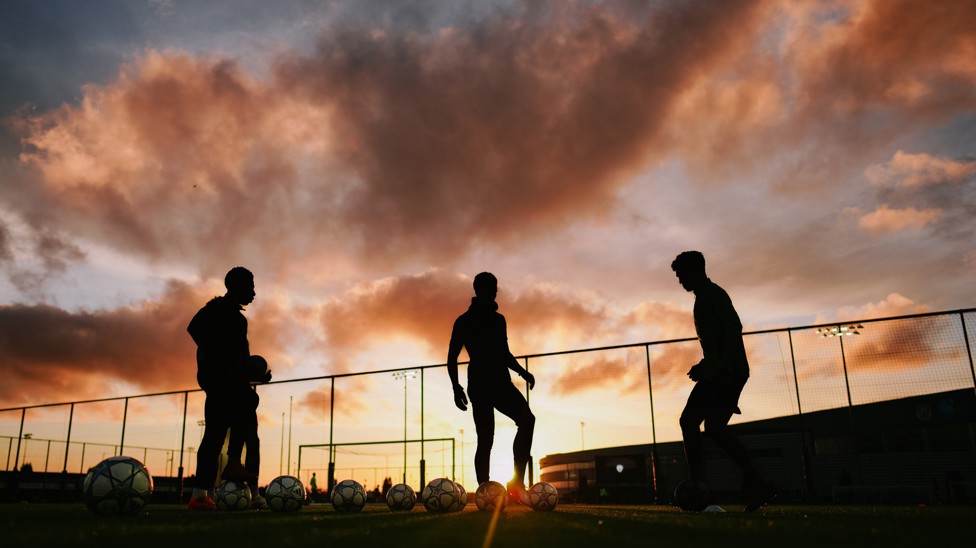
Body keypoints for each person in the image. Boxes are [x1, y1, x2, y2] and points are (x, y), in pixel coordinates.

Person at [671, 251, 776, 512]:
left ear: (697, 269)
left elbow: (733, 329)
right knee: (714, 428)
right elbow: (718, 343)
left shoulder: (713, 295)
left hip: (727, 373)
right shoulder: (704, 298)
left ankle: (697, 486)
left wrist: (716, 369)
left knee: (690, 421)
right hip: (725, 371)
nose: (680, 280)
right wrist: (705, 364)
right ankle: (759, 484)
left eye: (682, 273)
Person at [447, 272, 536, 501]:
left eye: (495, 288)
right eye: (489, 288)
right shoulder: (464, 322)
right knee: (486, 438)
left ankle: (517, 483)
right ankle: (485, 490)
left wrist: (522, 372)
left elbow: (503, 353)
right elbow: (452, 356)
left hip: (501, 382)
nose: (494, 292)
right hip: (479, 384)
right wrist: (456, 387)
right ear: (478, 290)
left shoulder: (499, 320)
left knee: (527, 419)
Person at [185, 266, 263, 510]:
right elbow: (194, 329)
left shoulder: (238, 318)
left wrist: (254, 374)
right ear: (236, 286)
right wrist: (218, 363)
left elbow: (239, 360)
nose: (253, 292)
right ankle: (233, 465)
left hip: (231, 381)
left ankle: (200, 495)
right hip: (221, 382)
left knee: (216, 436)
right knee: (243, 408)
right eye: (250, 286)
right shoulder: (218, 309)